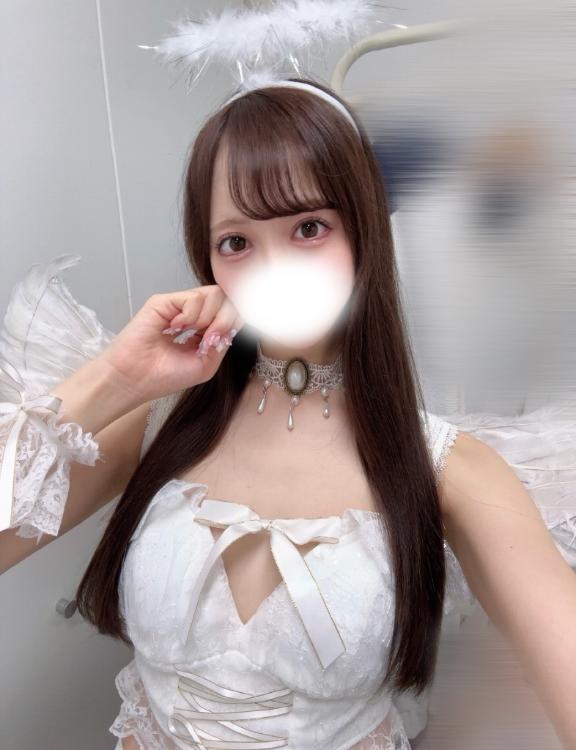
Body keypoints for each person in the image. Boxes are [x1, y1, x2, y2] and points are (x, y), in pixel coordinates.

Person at [1, 77, 575, 750]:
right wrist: (115, 379)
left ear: (363, 232)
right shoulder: (155, 424)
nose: (273, 268)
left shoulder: (450, 470)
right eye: (236, 242)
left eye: (308, 228)